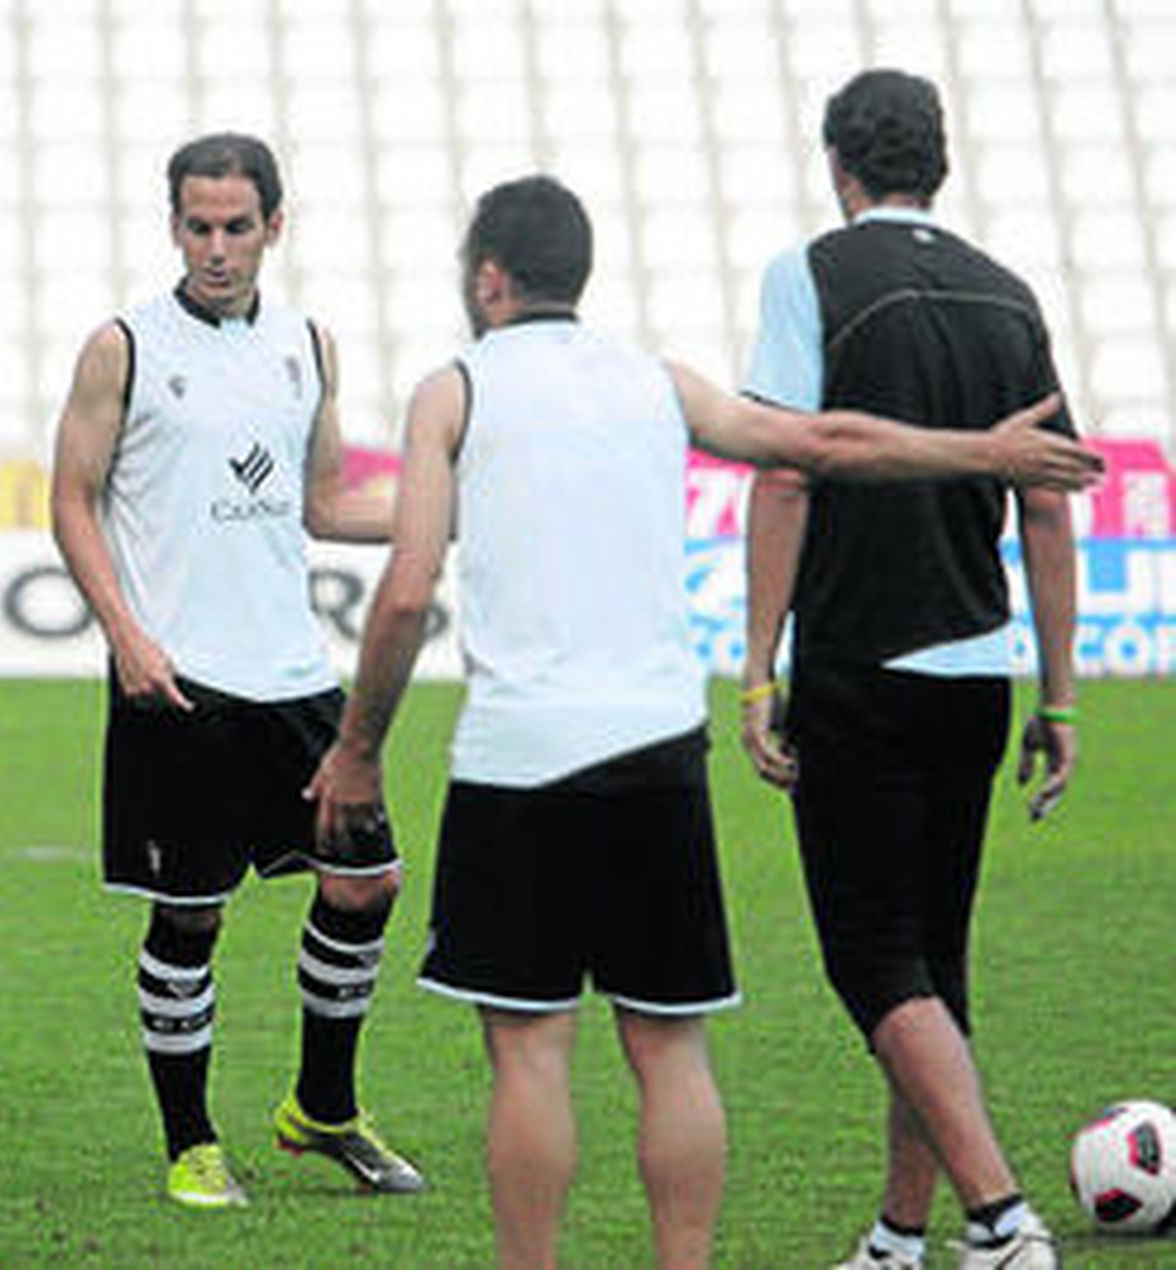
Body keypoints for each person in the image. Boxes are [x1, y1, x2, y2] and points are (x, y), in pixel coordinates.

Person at [308, 175, 1099, 1270]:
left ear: (487, 280)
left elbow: (403, 592)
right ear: (575, 276)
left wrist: (355, 750)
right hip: (657, 754)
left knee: (532, 1054)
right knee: (669, 1046)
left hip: (521, 756)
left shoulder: (454, 391)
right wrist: (981, 454)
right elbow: (822, 440)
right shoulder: (657, 382)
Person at [739, 70, 1078, 1270]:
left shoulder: (812, 275)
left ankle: (998, 1221)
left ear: (838, 163)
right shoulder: (1007, 294)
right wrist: (1059, 694)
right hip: (974, 672)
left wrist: (754, 672)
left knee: (871, 960)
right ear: (938, 161)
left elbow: (782, 470)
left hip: (860, 663)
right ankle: (898, 1237)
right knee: (931, 967)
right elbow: (1048, 502)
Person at [50, 132, 424, 1209]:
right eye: (198, 226)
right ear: (173, 225)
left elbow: (325, 503)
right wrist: (123, 630)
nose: (217, 247)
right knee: (191, 915)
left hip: (294, 675)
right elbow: (71, 498)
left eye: (237, 226)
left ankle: (324, 1107)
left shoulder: (308, 343)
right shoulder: (121, 345)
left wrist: (446, 513)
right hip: (181, 677)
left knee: (367, 883)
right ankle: (191, 1140)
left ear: (275, 224)